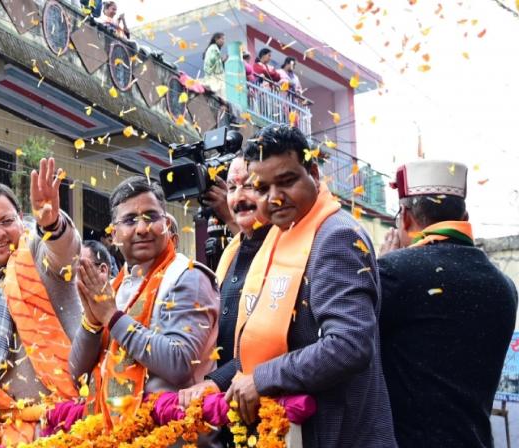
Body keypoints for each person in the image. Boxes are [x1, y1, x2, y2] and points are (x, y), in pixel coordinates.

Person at [222, 125, 396, 447]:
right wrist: (219, 382)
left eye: (287, 181)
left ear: (313, 173)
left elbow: (348, 345)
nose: (274, 198)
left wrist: (262, 378)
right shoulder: (283, 232)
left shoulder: (336, 237)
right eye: (262, 188)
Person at [378, 160, 518, 447]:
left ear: (406, 217)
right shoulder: (505, 286)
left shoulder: (394, 272)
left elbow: (355, 350)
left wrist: (378, 269)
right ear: (464, 217)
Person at [69, 176, 220, 435]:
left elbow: (180, 363)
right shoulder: (115, 286)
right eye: (130, 220)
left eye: (151, 217)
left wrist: (112, 317)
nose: (142, 228)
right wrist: (93, 321)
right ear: (114, 234)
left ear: (167, 224)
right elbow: (76, 371)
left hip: (173, 437)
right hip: (112, 436)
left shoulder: (187, 276)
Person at [0, 158, 82, 448]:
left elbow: (67, 257)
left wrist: (52, 223)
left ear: (21, 219)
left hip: (61, 424)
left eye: (7, 221)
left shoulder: (36, 248)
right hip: (1, 430)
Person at [178, 154, 272, 446]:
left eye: (249, 186)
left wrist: (214, 381)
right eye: (232, 188)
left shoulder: (286, 255)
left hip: (268, 407)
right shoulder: (234, 250)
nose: (239, 197)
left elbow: (270, 343)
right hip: (228, 411)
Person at [202, 33, 227, 98]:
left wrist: (221, 60)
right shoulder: (214, 48)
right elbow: (213, 62)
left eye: (224, 39)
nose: (223, 41)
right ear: (216, 39)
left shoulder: (213, 48)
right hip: (213, 78)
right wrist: (221, 60)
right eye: (222, 39)